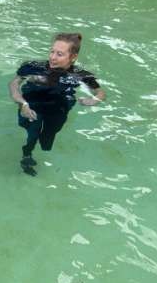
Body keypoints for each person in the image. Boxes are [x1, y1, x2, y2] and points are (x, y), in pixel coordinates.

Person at [8, 33, 106, 176]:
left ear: (73, 57)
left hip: (58, 109)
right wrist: (22, 104)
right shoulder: (33, 67)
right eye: (52, 51)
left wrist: (94, 100)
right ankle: (26, 154)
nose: (52, 57)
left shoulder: (80, 75)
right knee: (33, 133)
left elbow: (100, 92)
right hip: (32, 106)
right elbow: (14, 84)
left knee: (47, 141)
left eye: (59, 54)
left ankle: (42, 142)